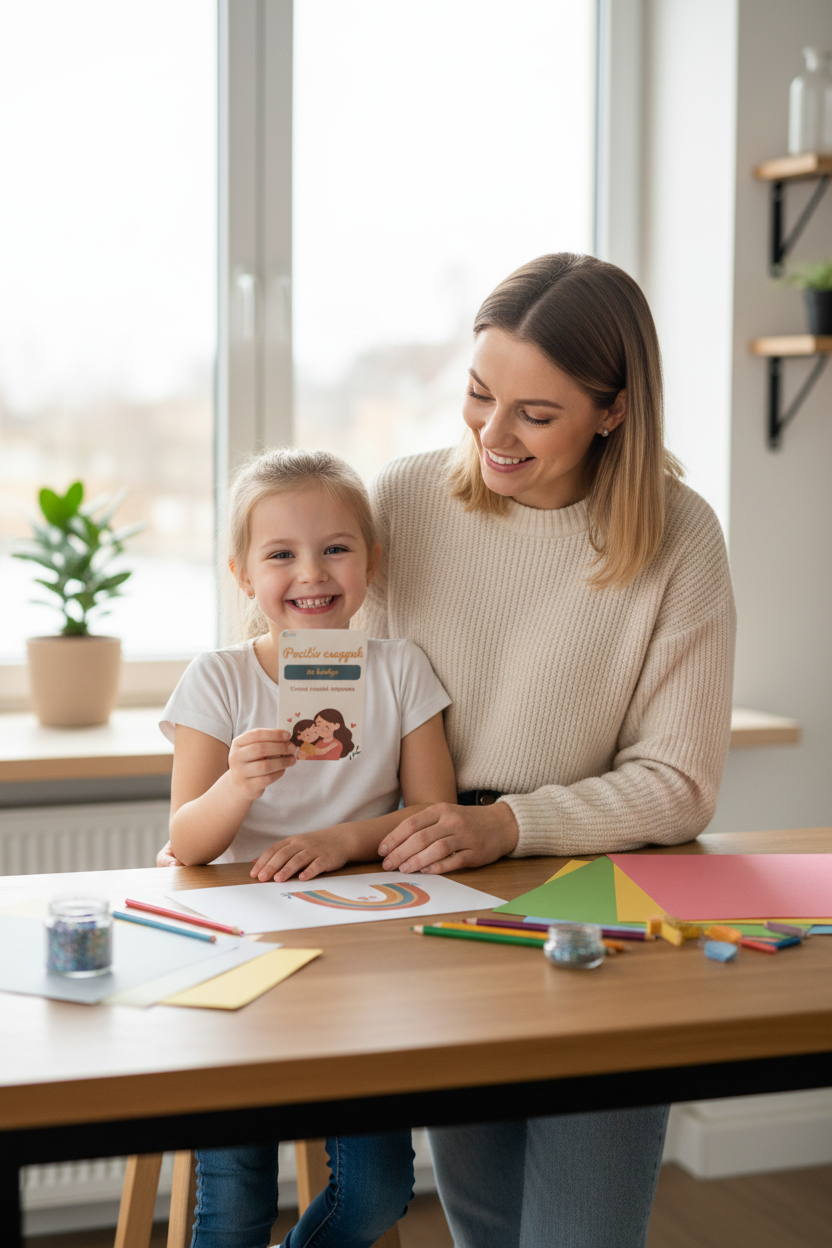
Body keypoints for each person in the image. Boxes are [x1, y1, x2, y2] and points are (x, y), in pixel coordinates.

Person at [356, 253, 736, 1248]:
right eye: (479, 394)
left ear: (614, 411)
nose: (492, 433)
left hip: (599, 902)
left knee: (580, 1232)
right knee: (482, 1225)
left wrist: (508, 825)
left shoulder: (679, 536)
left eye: (534, 413)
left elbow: (680, 784)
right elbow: (343, 705)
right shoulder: (403, 503)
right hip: (437, 893)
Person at [158, 446, 456, 1248]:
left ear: (372, 562)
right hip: (235, 958)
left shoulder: (402, 670)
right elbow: (186, 841)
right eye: (281, 554)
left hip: (366, 958)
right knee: (233, 1202)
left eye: (335, 548)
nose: (312, 573)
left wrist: (342, 838)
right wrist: (237, 785)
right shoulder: (218, 679)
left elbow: (434, 814)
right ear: (242, 574)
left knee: (379, 1191)